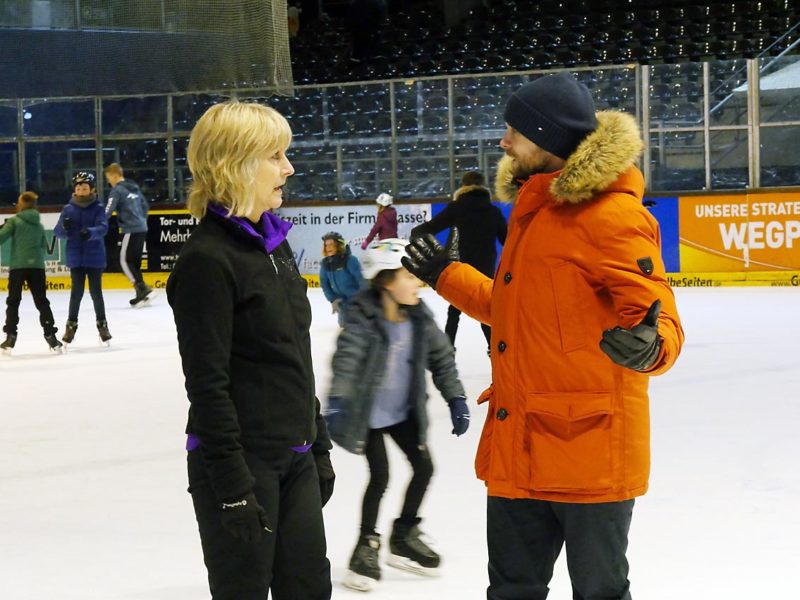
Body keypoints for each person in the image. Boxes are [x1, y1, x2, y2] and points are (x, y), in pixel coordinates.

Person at [402, 72, 685, 600]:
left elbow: (658, 314)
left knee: (599, 592)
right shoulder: (534, 209)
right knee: (510, 590)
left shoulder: (612, 216)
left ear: (549, 137)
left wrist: (652, 346)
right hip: (520, 447)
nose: (504, 143)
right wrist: (446, 274)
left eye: (514, 132)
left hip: (590, 459)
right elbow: (513, 313)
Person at [166, 102, 334, 600]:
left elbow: (294, 356)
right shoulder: (207, 261)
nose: (289, 168)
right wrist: (234, 488)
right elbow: (208, 384)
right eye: (275, 156)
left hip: (296, 458)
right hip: (240, 466)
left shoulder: (274, 247)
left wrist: (317, 441)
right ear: (235, 163)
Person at [325, 238, 469, 592]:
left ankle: (403, 535)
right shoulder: (362, 316)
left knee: (424, 468)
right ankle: (366, 544)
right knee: (381, 476)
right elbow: (347, 357)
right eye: (408, 275)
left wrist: (456, 398)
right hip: (368, 415)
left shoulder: (419, 315)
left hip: (403, 412)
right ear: (386, 280)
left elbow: (441, 357)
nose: (418, 282)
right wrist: (339, 399)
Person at [410, 170, 507, 353]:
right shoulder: (493, 211)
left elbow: (431, 227)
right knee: (486, 313)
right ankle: (496, 350)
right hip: (485, 270)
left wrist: (415, 234)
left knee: (454, 311)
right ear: (483, 187)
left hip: (461, 268)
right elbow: (508, 240)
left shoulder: (457, 208)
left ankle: (448, 348)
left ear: (463, 187)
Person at [0, 191, 61, 353]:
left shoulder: (14, 222)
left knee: (13, 301)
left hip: (18, 267)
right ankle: (50, 335)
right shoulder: (39, 225)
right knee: (41, 301)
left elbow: (1, 238)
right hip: (37, 268)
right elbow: (43, 245)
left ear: (20, 204)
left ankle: (11, 336)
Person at [54, 172, 111, 345]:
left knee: (96, 293)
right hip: (76, 257)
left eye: (84, 188)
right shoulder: (68, 209)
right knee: (76, 293)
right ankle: (71, 326)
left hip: (94, 257)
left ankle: (102, 325)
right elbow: (58, 232)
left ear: (91, 189)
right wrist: (64, 227)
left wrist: (91, 232)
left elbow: (103, 227)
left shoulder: (98, 208)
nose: (81, 190)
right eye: (78, 188)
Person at [103, 162, 155, 307]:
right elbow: (145, 206)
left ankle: (141, 288)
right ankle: (143, 290)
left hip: (130, 229)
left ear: (114, 175)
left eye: (108, 177)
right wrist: (140, 220)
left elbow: (108, 210)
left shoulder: (117, 191)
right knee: (134, 261)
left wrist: (98, 222)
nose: (108, 181)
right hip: (142, 227)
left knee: (124, 260)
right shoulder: (134, 187)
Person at [319, 231, 363, 326]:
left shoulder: (350, 260)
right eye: (326, 245)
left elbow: (361, 279)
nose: (328, 248)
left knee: (357, 325)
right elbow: (324, 283)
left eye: (331, 244)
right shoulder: (326, 264)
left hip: (356, 301)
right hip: (342, 302)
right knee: (343, 325)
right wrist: (333, 299)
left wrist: (363, 298)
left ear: (338, 245)